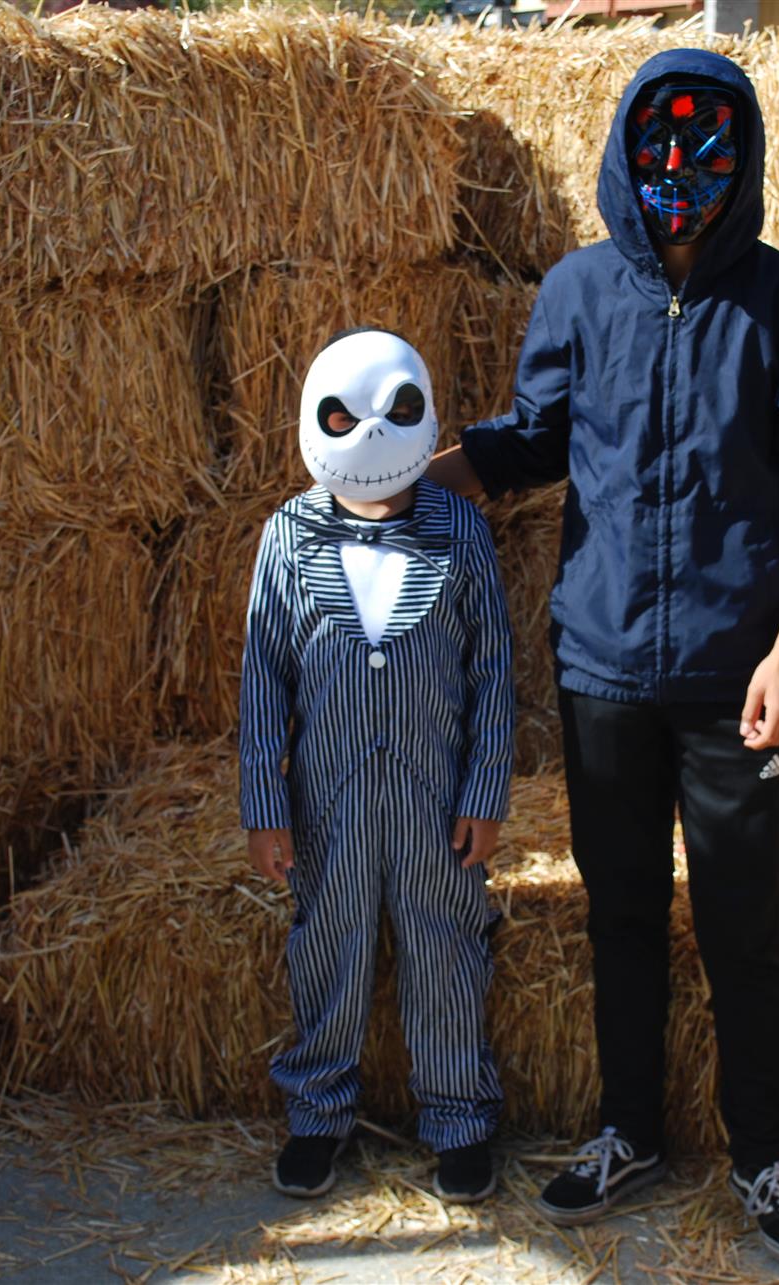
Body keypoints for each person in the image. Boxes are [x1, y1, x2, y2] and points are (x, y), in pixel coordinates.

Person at [424, 48, 779, 1268]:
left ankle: (762, 1152)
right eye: (660, 150)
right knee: (620, 913)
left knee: (737, 922)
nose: (684, 177)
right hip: (602, 667)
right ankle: (627, 1131)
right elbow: (530, 445)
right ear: (624, 152)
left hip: (733, 677)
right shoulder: (576, 293)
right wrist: (392, 490)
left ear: (745, 160)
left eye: (709, 153)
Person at [240, 328, 515, 1206]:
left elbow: (492, 673)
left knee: (444, 944)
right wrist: (265, 806)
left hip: (435, 798)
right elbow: (262, 681)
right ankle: (318, 1113)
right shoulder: (286, 538)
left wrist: (485, 791)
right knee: (329, 937)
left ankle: (460, 1119)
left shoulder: (460, 532)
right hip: (329, 799)